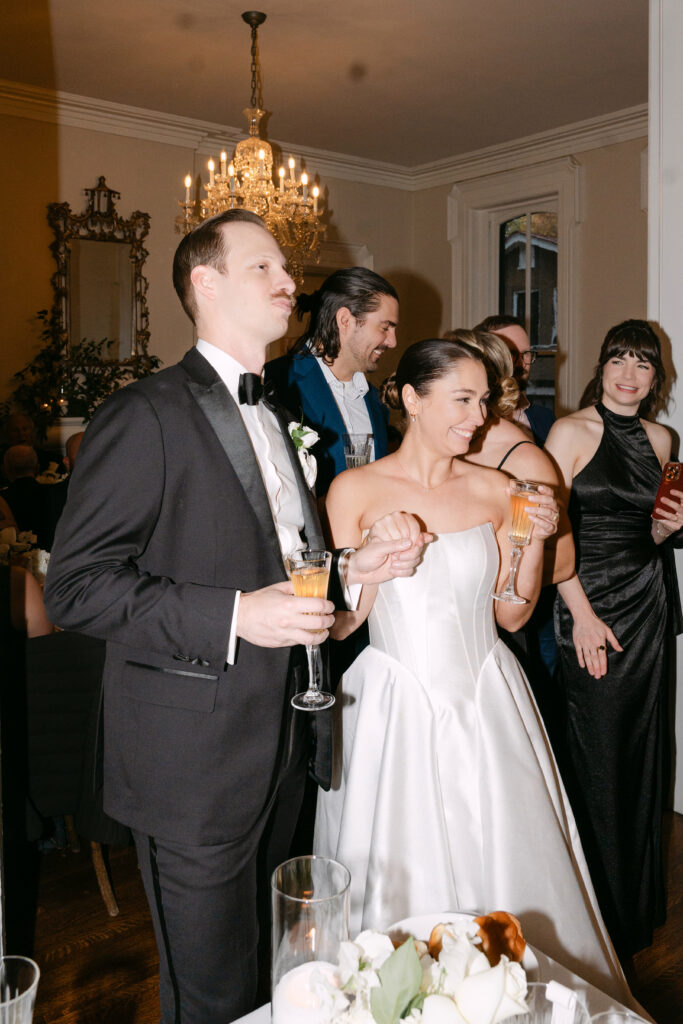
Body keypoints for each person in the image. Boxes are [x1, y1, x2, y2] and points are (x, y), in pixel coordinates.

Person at [43, 209, 428, 1024]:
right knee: (213, 990)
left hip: (282, 741)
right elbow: (76, 586)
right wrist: (233, 617)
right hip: (191, 760)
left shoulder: (278, 414)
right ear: (205, 283)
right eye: (265, 268)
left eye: (286, 269)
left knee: (272, 968)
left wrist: (354, 568)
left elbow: (277, 563)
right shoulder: (145, 413)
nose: (291, 282)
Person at [314, 337, 634, 1005]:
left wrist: (536, 539)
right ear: (410, 399)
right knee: (400, 871)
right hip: (393, 704)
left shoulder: (497, 490)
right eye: (461, 399)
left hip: (488, 696)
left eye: (483, 400)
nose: (477, 416)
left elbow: (512, 616)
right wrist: (363, 562)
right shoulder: (354, 490)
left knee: (508, 861)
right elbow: (342, 624)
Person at [545, 319, 681, 958]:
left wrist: (667, 530)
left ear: (657, 378)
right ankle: (591, 910)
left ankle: (630, 913)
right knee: (594, 752)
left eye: (643, 365)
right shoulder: (569, 432)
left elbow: (650, 532)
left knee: (639, 750)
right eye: (619, 359)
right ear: (601, 367)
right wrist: (580, 616)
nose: (629, 374)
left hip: (646, 604)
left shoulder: (663, 438)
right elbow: (549, 533)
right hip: (586, 601)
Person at [448, 327, 571, 725]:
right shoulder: (445, 444)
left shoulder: (526, 458)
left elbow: (565, 562)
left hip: (496, 636)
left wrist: (498, 577)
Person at [265, 267, 399, 496]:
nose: (392, 342)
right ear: (345, 320)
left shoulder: (376, 401)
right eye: (385, 328)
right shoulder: (276, 382)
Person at [476, 314, 555, 445]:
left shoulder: (546, 418)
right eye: (510, 353)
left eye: (526, 353)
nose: (521, 362)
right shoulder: (472, 421)